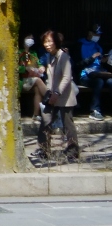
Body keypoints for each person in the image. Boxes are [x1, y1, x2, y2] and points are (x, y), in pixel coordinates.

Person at [37, 29, 79, 162]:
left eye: (50, 41)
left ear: (56, 42)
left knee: (68, 124)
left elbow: (67, 77)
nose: (47, 44)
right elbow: (50, 77)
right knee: (45, 122)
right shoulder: (49, 56)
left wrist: (57, 92)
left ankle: (73, 150)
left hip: (64, 96)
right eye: (45, 42)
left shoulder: (64, 56)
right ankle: (44, 149)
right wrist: (50, 92)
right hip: (52, 95)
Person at [77, 26, 111, 120]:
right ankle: (95, 110)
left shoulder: (98, 46)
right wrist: (91, 58)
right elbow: (77, 64)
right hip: (85, 75)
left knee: (110, 81)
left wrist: (104, 61)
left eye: (99, 34)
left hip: (99, 72)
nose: (98, 36)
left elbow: (101, 63)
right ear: (90, 33)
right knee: (99, 82)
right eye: (96, 34)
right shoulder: (79, 45)